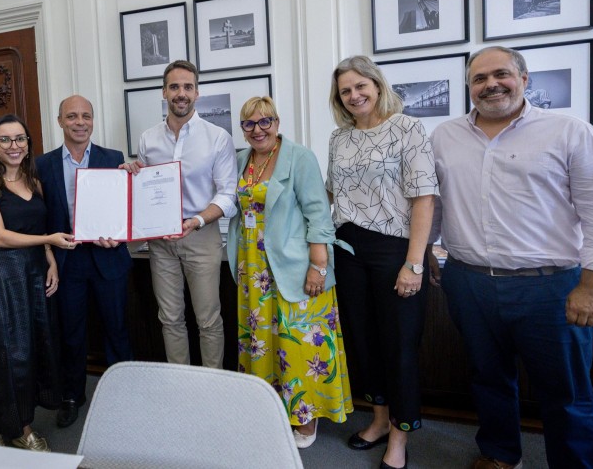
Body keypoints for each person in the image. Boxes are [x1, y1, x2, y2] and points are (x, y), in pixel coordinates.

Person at [428, 46, 593, 469]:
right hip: (469, 282)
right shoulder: (444, 136)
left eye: (500, 74)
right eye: (479, 79)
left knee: (567, 393)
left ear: (524, 79)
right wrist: (428, 247)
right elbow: (436, 202)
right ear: (469, 88)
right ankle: (501, 456)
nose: (490, 85)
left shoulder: (569, 132)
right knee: (488, 379)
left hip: (551, 286)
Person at [326, 56, 437, 469]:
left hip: (394, 250)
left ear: (377, 84)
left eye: (360, 86)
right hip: (347, 249)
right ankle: (378, 420)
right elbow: (332, 196)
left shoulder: (408, 128)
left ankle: (400, 437)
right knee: (365, 342)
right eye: (345, 91)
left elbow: (423, 198)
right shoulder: (339, 138)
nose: (354, 96)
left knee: (399, 347)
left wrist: (415, 264)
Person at [227, 96, 353, 449]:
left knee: (298, 343)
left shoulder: (299, 157)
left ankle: (306, 418)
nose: (258, 130)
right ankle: (270, 410)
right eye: (249, 124)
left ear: (278, 123)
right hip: (253, 268)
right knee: (262, 343)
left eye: (265, 121)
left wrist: (318, 266)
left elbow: (319, 214)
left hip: (296, 265)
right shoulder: (241, 160)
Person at [0, 114, 77, 451]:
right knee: (6, 353)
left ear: (28, 145)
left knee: (34, 348)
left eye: (20, 139)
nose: (14, 146)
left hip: (33, 273)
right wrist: (50, 239)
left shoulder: (34, 182)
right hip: (1, 275)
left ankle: (22, 422)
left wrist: (50, 260)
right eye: (5, 140)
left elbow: (37, 231)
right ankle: (0, 426)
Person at [121, 60, 238, 368]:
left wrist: (197, 220)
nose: (181, 93)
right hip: (160, 242)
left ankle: (212, 382)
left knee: (208, 318)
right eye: (174, 87)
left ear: (197, 93)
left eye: (187, 87)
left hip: (201, 236)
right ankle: (180, 383)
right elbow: (146, 191)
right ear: (164, 92)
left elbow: (228, 195)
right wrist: (133, 174)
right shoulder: (148, 139)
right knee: (170, 317)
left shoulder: (218, 138)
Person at [36, 95, 134, 428]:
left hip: (109, 257)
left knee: (117, 329)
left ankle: (124, 394)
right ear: (60, 120)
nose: (80, 122)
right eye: (72, 116)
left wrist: (120, 233)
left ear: (93, 120)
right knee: (71, 333)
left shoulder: (115, 159)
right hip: (68, 261)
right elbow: (40, 216)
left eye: (86, 116)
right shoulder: (42, 164)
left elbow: (127, 207)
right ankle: (72, 396)